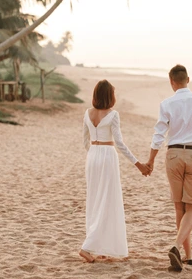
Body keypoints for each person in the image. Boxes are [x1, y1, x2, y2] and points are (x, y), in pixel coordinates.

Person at [145, 64, 192, 271]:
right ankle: (177, 247)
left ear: (172, 82)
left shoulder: (166, 103)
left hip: (174, 154)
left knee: (180, 207)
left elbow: (159, 134)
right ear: (188, 79)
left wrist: (151, 160)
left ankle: (188, 256)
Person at [79, 79, 151, 263]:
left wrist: (94, 154)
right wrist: (138, 164)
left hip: (93, 156)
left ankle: (100, 247)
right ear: (110, 96)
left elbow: (85, 141)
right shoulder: (113, 115)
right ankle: (87, 247)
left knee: (95, 200)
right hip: (107, 156)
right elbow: (119, 142)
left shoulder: (87, 113)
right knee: (106, 200)